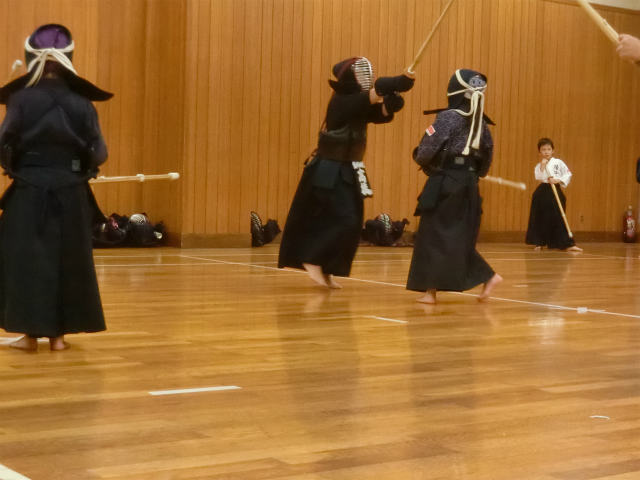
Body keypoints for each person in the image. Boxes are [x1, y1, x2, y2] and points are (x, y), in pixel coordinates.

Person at [0, 24, 113, 351]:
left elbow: (3, 142)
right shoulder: (82, 102)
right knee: (68, 259)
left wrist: (14, 165)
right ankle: (58, 339)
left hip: (29, 190)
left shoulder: (21, 99)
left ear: (31, 57)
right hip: (71, 191)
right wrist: (81, 167)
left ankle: (30, 337)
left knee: (27, 260)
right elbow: (99, 152)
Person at [278, 57, 414, 288]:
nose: (366, 77)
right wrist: (400, 81)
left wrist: (390, 105)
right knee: (341, 218)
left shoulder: (357, 103)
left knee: (351, 222)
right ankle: (312, 259)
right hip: (329, 169)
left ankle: (329, 268)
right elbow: (378, 90)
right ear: (350, 77)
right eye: (361, 73)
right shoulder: (342, 101)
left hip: (349, 168)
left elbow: (377, 113)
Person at [406, 69, 502, 304]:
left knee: (432, 233)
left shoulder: (448, 117)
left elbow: (426, 150)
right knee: (456, 236)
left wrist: (421, 158)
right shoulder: (482, 122)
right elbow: (487, 156)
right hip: (469, 183)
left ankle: (430, 292)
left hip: (447, 181)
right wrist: (473, 174)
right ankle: (487, 276)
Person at [525, 138, 582, 252]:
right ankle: (539, 242)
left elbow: (568, 174)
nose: (546, 152)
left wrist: (557, 180)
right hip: (543, 192)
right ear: (539, 152)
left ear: (553, 150)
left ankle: (567, 243)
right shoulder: (539, 165)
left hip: (555, 190)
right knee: (540, 217)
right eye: (543, 149)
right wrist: (542, 166)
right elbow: (538, 176)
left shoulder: (558, 162)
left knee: (559, 216)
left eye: (549, 149)